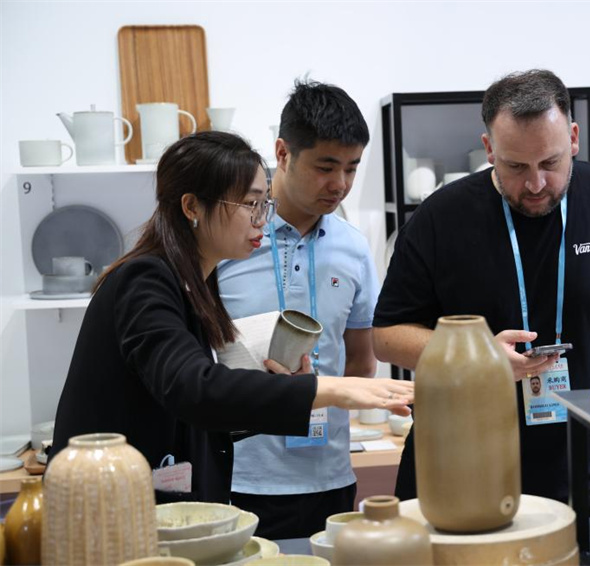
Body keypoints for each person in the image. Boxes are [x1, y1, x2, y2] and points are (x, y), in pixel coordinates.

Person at [372, 69, 590, 513]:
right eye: (516, 167)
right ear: (489, 148)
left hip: (589, 470)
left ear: (574, 138)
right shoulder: (439, 219)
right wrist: (475, 355)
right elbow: (387, 335)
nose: (536, 184)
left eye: (550, 163)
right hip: (460, 470)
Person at [50, 131, 413, 505]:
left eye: (264, 204)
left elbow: (204, 411)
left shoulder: (196, 282)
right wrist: (329, 389)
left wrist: (292, 391)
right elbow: (192, 388)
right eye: (250, 204)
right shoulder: (145, 280)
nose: (262, 220)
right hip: (106, 502)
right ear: (192, 207)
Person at [217, 80, 379, 539]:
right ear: (283, 153)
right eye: (326, 167)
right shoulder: (229, 241)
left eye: (351, 168)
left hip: (330, 476)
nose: (340, 184)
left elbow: (361, 363)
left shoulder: (353, 249)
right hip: (240, 475)